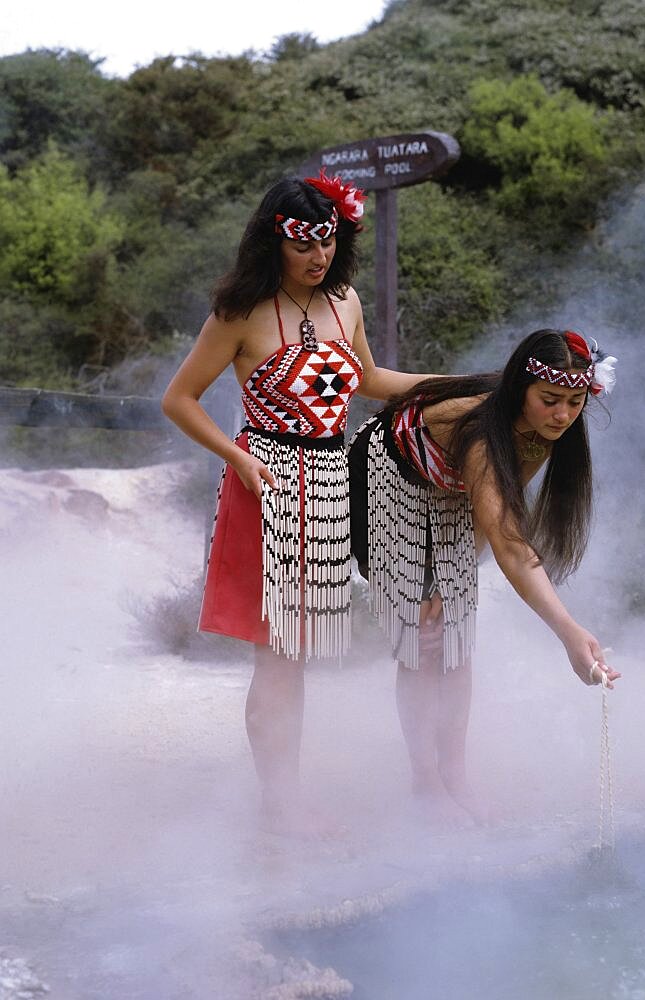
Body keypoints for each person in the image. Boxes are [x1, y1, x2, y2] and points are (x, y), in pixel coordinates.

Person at [161, 170, 431, 835]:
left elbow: (366, 379)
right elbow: (177, 399)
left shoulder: (345, 303)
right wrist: (237, 457)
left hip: (328, 479)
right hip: (267, 480)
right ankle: (281, 806)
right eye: (304, 242)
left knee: (298, 652)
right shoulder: (239, 312)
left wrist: (457, 383)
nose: (318, 257)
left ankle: (285, 799)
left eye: (329, 241)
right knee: (277, 655)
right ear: (273, 240)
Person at [347, 328, 621, 825]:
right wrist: (569, 633)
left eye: (575, 402)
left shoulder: (543, 434)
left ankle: (455, 775)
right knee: (421, 640)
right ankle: (425, 783)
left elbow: (493, 521)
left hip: (451, 490)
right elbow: (512, 546)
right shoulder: (479, 429)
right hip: (386, 479)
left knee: (455, 636)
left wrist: (449, 582)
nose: (562, 414)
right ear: (522, 391)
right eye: (550, 400)